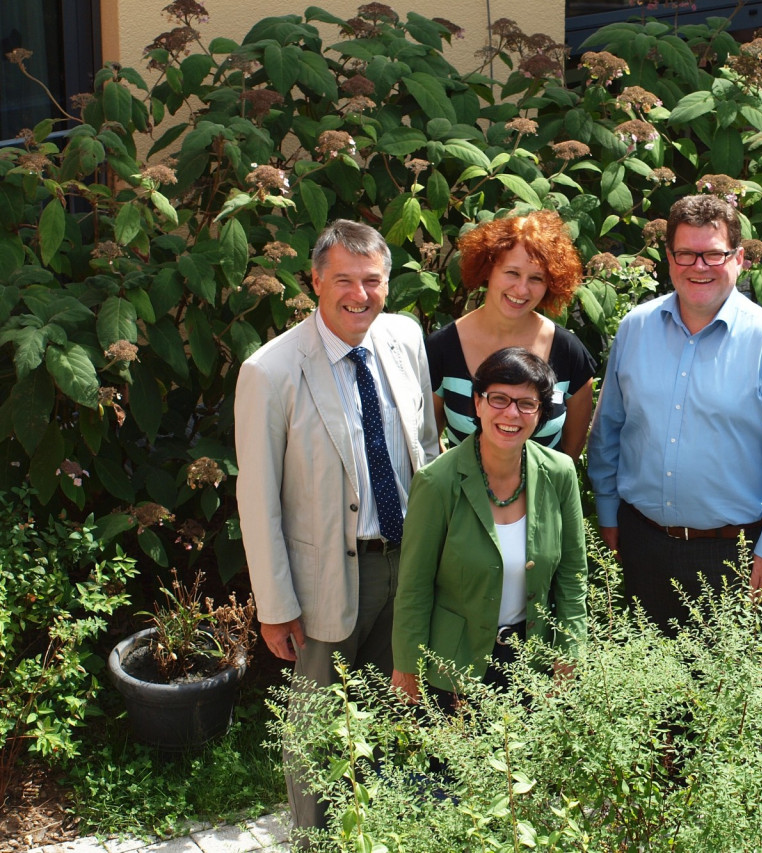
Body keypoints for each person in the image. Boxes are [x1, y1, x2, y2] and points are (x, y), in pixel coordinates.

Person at [235, 219, 438, 837]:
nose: (360, 294)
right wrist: (275, 606)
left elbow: (424, 450)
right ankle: (314, 842)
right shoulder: (270, 371)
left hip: (403, 565)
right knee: (317, 731)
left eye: (372, 280)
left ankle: (374, 835)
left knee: (391, 713)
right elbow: (258, 497)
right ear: (316, 282)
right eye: (344, 280)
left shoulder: (404, 337)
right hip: (325, 577)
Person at [587, 194, 762, 630]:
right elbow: (609, 428)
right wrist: (606, 510)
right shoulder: (634, 329)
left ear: (739, 258)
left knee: (723, 695)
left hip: (733, 556)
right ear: (669, 258)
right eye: (686, 253)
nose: (699, 266)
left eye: (713, 254)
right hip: (640, 542)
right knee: (642, 690)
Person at [391, 347, 587, 705]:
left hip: (534, 666)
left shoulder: (560, 473)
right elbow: (414, 586)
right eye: (499, 398)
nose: (511, 413)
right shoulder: (437, 483)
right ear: (477, 404)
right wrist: (407, 666)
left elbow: (573, 577)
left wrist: (570, 653)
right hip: (452, 668)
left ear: (540, 413)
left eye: (526, 404)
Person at [428, 210, 595, 457]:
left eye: (536, 278)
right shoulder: (441, 348)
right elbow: (427, 441)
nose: (521, 289)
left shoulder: (568, 352)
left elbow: (571, 448)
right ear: (488, 269)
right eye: (512, 273)